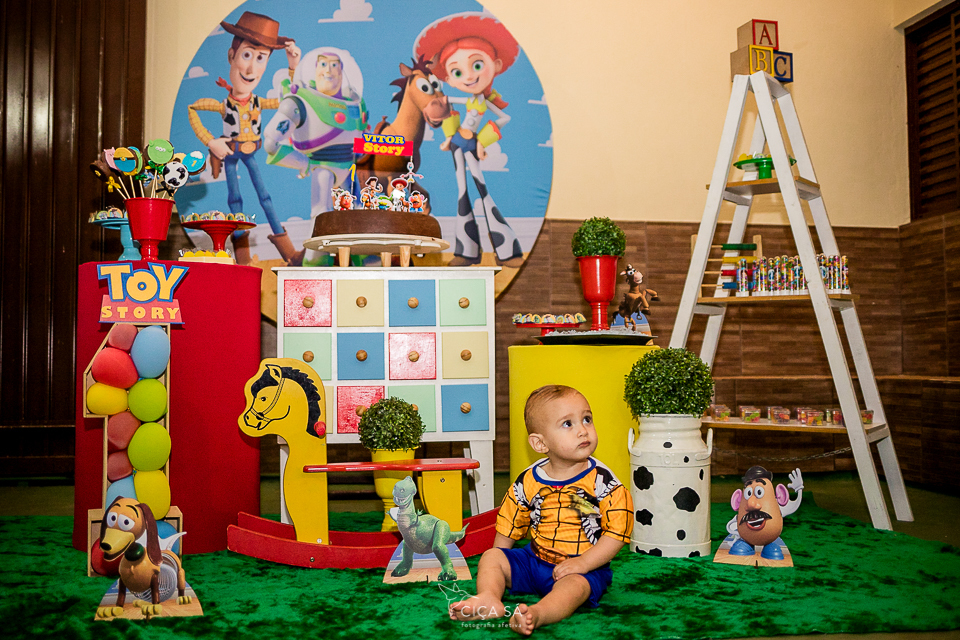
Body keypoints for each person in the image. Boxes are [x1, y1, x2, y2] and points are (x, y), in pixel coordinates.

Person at [449, 385, 633, 635]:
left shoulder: (603, 481)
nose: (582, 430)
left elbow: (617, 532)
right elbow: (510, 522)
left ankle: (538, 613)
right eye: (567, 424)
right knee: (491, 557)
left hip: (583, 568)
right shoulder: (529, 479)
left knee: (575, 588)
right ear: (539, 443)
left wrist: (584, 563)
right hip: (533, 560)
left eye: (587, 419)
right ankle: (489, 597)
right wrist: (502, 560)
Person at [187, 11, 301, 264]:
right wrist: (210, 141)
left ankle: (289, 253)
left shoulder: (259, 101)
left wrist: (293, 66)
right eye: (247, 55)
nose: (251, 69)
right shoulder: (223, 105)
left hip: (250, 152)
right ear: (232, 56)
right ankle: (242, 259)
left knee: (265, 197)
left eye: (261, 58)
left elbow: (290, 99)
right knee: (235, 199)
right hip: (230, 152)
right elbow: (192, 108)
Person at [414, 12, 524, 267]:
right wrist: (447, 136)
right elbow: (445, 108)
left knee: (482, 190)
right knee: (462, 192)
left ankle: (507, 250)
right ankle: (467, 252)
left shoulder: (484, 101)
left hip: (471, 144)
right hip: (456, 144)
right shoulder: (457, 99)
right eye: (457, 71)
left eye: (477, 66)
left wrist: (483, 141)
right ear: (448, 78)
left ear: (496, 65)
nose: (468, 77)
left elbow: (503, 118)